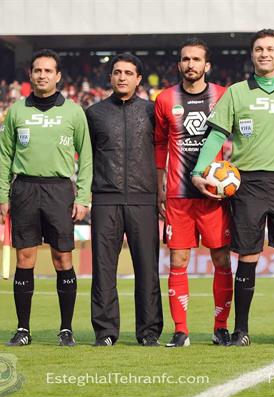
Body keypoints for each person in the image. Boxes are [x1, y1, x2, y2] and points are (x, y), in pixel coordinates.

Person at [191, 29, 274, 346]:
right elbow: (216, 136)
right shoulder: (236, 93)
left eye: (271, 49)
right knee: (248, 256)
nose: (265, 53)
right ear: (252, 55)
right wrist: (199, 170)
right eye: (259, 49)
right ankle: (241, 331)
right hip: (246, 183)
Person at [0, 49, 92, 346]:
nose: (42, 75)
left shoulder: (74, 111)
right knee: (25, 258)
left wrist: (83, 196)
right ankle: (23, 329)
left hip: (59, 190)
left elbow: (86, 156)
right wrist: (3, 194)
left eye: (48, 71)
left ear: (58, 76)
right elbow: (4, 156)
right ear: (30, 74)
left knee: (63, 258)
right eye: (37, 70)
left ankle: (66, 329)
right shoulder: (16, 111)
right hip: (24, 188)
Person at [154, 38, 231, 347]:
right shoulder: (164, 99)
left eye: (196, 59)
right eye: (186, 59)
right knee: (178, 260)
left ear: (206, 65)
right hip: (178, 196)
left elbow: (236, 136)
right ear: (179, 64)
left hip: (214, 197)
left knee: (222, 260)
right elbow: (160, 143)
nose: (190, 64)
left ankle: (220, 327)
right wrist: (160, 181)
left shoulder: (223, 96)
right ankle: (181, 330)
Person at [86, 53, 163, 347]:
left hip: (144, 199)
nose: (122, 77)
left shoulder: (153, 111)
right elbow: (87, 158)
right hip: (105, 199)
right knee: (103, 270)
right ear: (110, 78)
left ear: (138, 79)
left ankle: (149, 332)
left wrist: (160, 193)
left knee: (147, 269)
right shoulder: (94, 114)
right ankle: (105, 332)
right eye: (117, 72)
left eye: (128, 73)